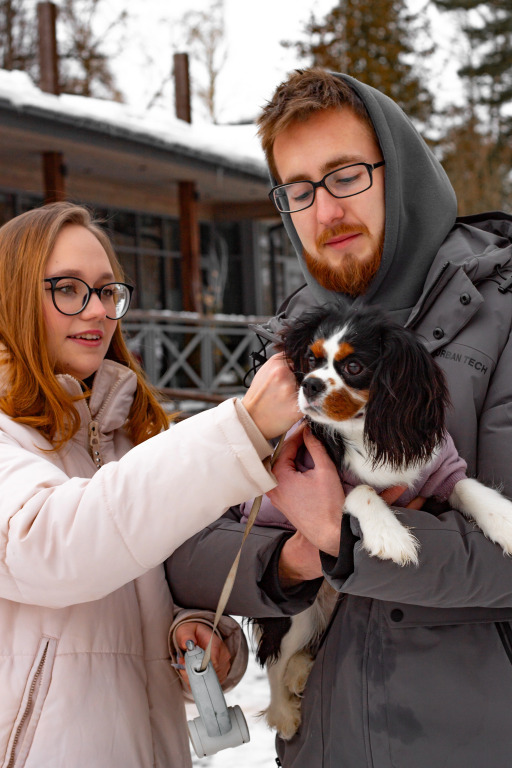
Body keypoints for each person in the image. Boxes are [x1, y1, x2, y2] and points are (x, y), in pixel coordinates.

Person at [167, 68, 512, 768]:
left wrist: (336, 534)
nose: (324, 212)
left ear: (401, 171)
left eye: (345, 176)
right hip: (322, 746)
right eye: (298, 191)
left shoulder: (501, 311)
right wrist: (294, 557)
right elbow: (188, 545)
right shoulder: (288, 344)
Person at [0, 201, 301, 768]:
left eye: (107, 290)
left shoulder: (126, 434)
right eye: (68, 288)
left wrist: (196, 639)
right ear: (14, 296)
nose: (96, 310)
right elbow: (54, 545)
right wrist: (241, 429)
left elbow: (136, 579)